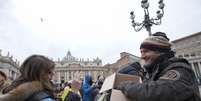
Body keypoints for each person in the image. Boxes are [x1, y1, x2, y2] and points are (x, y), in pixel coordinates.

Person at [117, 32, 201, 101]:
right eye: (141, 52)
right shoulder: (156, 71)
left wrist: (124, 85)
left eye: (145, 51)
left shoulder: (179, 68)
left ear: (159, 52)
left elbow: (155, 92)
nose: (142, 56)